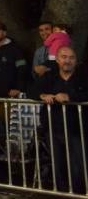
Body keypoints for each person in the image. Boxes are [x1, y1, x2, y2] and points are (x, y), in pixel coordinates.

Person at [30, 46, 88, 194]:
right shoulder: (50, 77)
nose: (67, 61)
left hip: (77, 129)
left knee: (78, 167)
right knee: (58, 165)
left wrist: (70, 97)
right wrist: (43, 96)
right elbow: (32, 90)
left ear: (76, 61)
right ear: (57, 59)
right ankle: (62, 194)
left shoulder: (83, 76)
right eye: (64, 57)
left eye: (71, 57)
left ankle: (80, 194)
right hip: (53, 128)